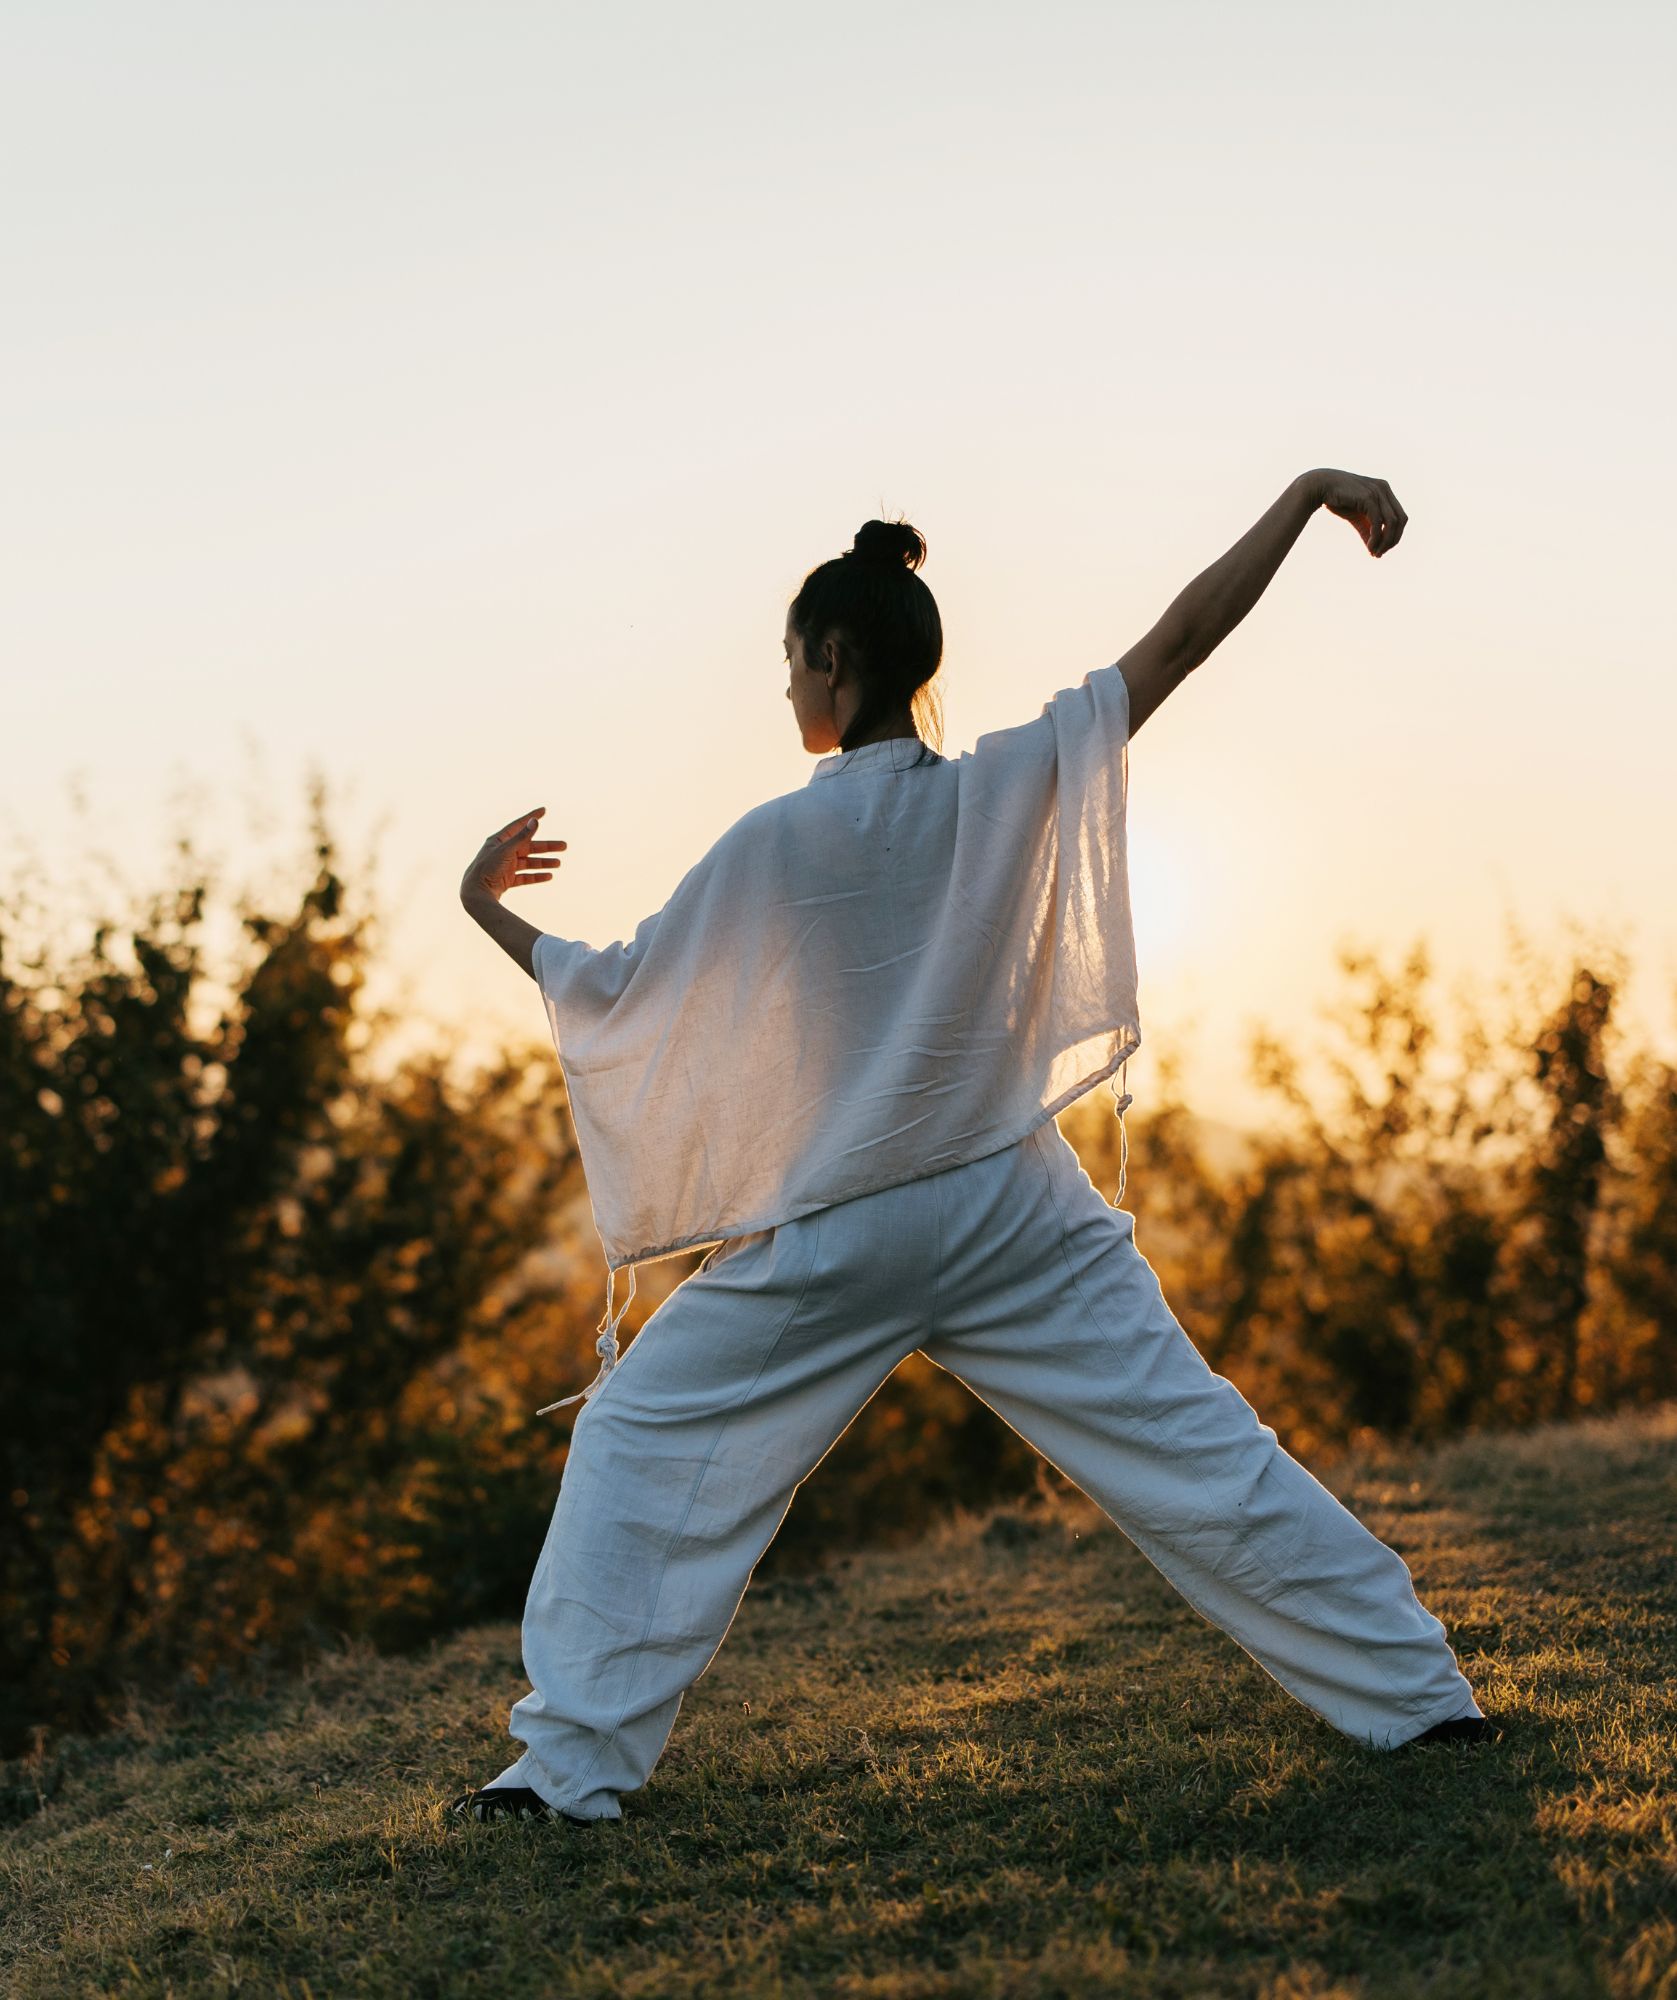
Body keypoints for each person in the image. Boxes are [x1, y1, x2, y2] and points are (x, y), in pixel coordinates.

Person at [449, 469, 1496, 1827]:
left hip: (843, 1229)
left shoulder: (776, 838)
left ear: (836, 658)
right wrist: (1300, 501)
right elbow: (1176, 642)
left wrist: (484, 907)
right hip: (1013, 1209)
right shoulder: (1005, 783)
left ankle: (566, 1770)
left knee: (641, 1438)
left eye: (788, 662)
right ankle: (1425, 1705)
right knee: (1198, 1452)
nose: (782, 691)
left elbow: (619, 986)